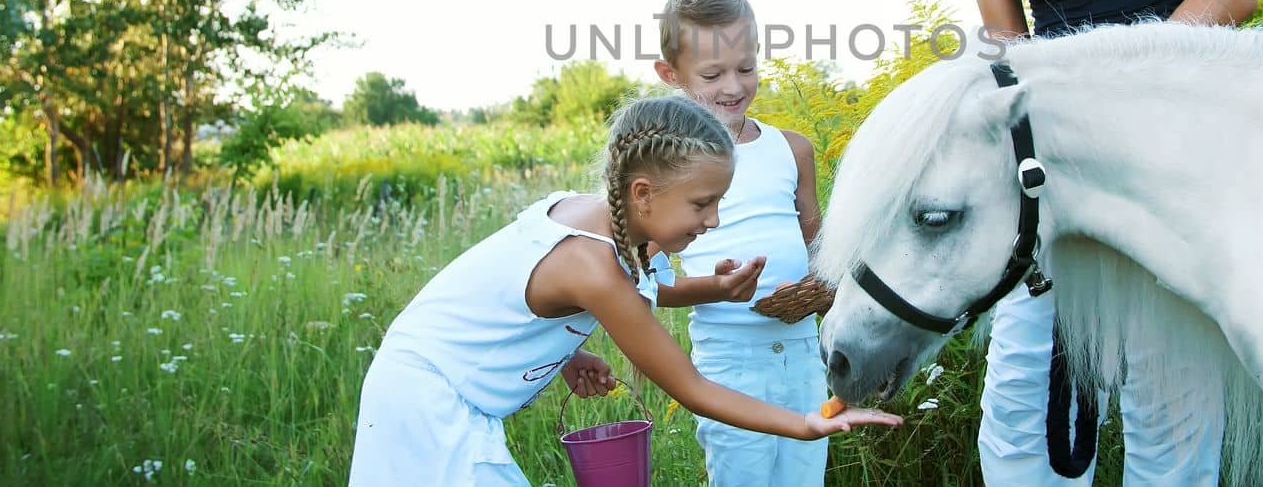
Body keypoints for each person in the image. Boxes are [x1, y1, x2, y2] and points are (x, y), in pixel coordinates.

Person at [881, 0, 1258, 485]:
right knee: (1023, 397)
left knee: (1169, 397)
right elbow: (1006, 46)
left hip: (1170, 147)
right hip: (1059, 158)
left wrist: (1114, 96)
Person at [347, 94, 898, 487]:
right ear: (642, 193)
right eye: (702, 203)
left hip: (420, 382)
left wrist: (563, 348)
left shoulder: (592, 220)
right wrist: (803, 423)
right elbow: (692, 387)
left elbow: (508, 300)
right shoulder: (592, 266)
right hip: (426, 405)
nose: (713, 220)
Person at [651, 0, 829, 487]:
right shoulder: (668, 164)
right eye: (713, 74)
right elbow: (645, 282)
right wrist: (715, 288)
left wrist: (822, 288)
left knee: (804, 477)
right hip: (730, 365)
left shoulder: (791, 150)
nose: (734, 86)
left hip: (801, 354)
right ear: (671, 75)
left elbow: (820, 246)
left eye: (746, 68)